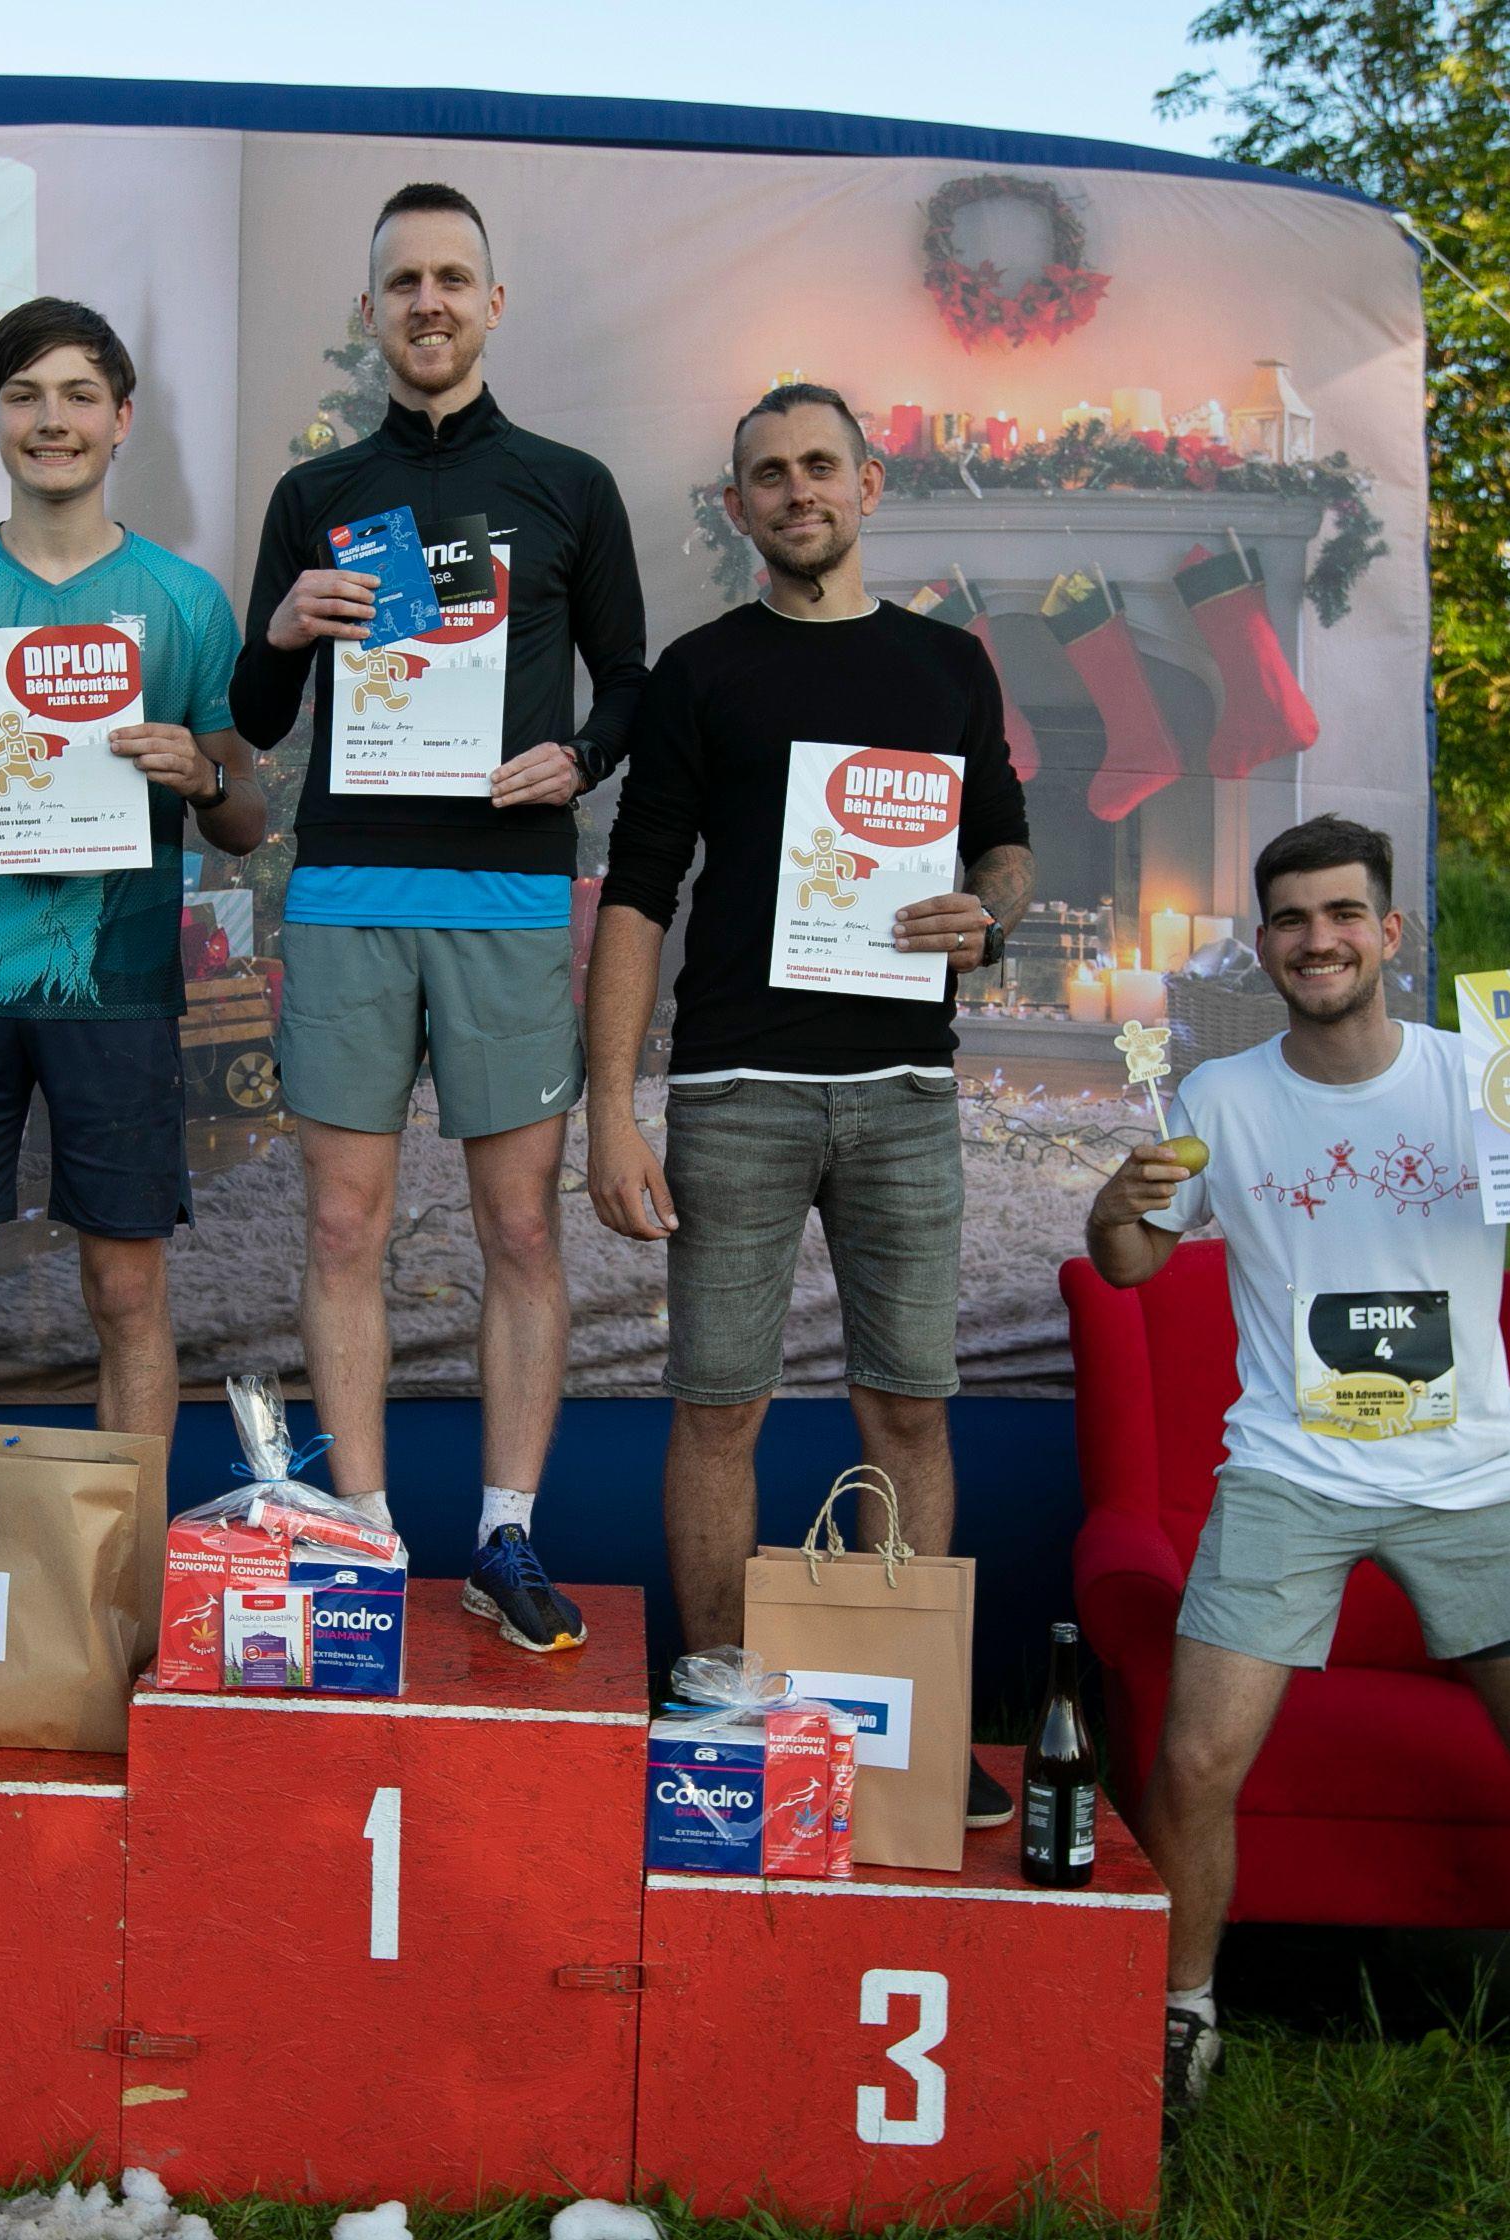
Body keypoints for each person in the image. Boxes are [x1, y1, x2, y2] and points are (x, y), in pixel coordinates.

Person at [1082, 814, 1510, 2116]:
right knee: (1194, 1763)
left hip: (1467, 1484)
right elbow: (1131, 1265)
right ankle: (1184, 2008)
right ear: (1265, 946)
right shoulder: (1221, 1098)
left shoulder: (1489, 1081)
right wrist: (1113, 1210)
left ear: (1390, 932)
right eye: (1292, 919)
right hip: (1288, 1475)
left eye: (1343, 912)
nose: (1320, 938)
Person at [587, 383, 1034, 1826]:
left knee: (908, 1405)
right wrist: (611, 1105)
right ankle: (720, 1703)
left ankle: (906, 1721)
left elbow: (1005, 843)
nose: (797, 491)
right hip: (737, 1088)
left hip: (906, 1091)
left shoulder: (949, 664)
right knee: (720, 1406)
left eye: (820, 465)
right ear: (739, 507)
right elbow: (639, 890)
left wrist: (988, 915)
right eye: (769, 474)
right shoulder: (701, 671)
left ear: (868, 483)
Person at [231, 181, 648, 1650]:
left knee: (520, 1226)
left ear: (492, 303)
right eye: (402, 280)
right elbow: (254, 715)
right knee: (342, 1222)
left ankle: (503, 1537)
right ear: (370, 311)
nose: (428, 301)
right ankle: (360, 1534)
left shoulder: (568, 485)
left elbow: (632, 683)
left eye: (452, 278)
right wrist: (281, 628)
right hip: (347, 893)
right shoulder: (317, 497)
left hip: (511, 894)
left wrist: (582, 756)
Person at [0, 296, 264, 1448]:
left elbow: (247, 816)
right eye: (25, 396)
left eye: (79, 395)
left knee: (126, 1291)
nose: (52, 419)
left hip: (115, 987)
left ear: (122, 418)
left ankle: (127, 1554)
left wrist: (202, 776)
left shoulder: (185, 601)